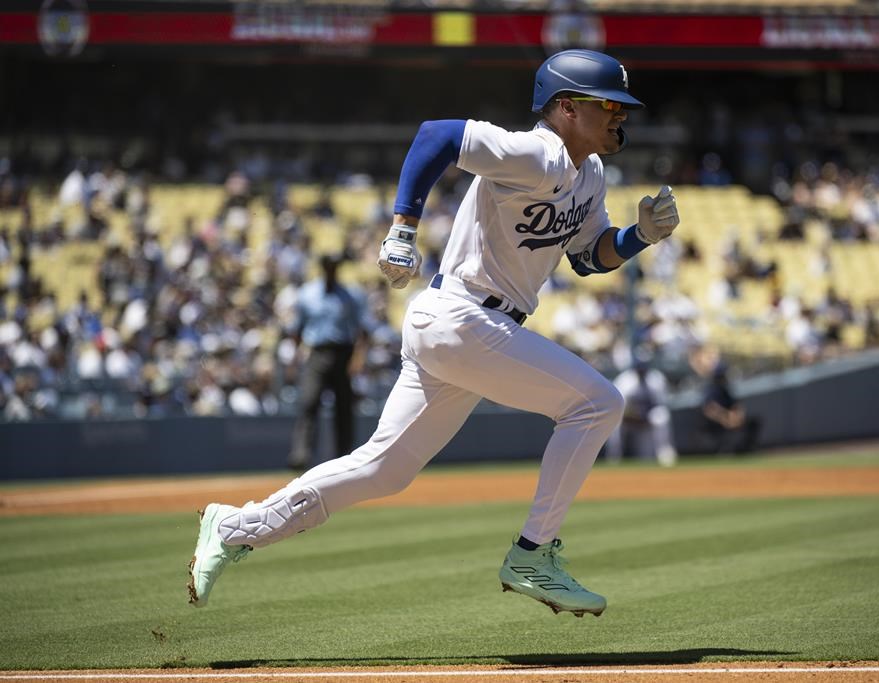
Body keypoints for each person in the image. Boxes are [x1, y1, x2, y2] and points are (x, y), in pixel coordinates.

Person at [187, 49, 679, 618]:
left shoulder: (589, 174)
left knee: (383, 470)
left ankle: (235, 526)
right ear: (566, 108)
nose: (620, 115)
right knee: (597, 404)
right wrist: (403, 226)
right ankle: (532, 553)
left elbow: (589, 258)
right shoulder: (537, 152)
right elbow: (437, 135)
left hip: (464, 329)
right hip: (463, 319)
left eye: (622, 106)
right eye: (608, 105)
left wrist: (638, 235)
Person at [285, 252, 368, 471]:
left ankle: (344, 456)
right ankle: (301, 454)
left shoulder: (351, 295)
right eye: (328, 266)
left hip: (343, 353)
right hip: (317, 353)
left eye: (334, 266)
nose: (331, 270)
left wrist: (358, 358)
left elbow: (362, 330)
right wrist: (295, 358)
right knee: (309, 401)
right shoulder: (307, 294)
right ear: (322, 268)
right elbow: (297, 329)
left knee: (344, 407)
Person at [605, 354, 678, 467]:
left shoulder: (656, 379)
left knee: (662, 416)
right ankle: (614, 456)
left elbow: (661, 403)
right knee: (616, 424)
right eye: (639, 368)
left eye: (643, 368)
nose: (641, 371)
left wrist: (644, 417)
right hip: (627, 417)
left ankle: (665, 454)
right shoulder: (625, 381)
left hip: (648, 415)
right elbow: (619, 407)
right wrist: (634, 416)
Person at [699, 360, 761, 455]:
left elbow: (737, 404)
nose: (725, 377)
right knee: (722, 430)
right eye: (723, 375)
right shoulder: (710, 389)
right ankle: (725, 449)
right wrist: (724, 418)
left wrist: (738, 416)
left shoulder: (725, 388)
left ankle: (747, 447)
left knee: (754, 422)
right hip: (715, 422)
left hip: (729, 419)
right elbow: (709, 409)